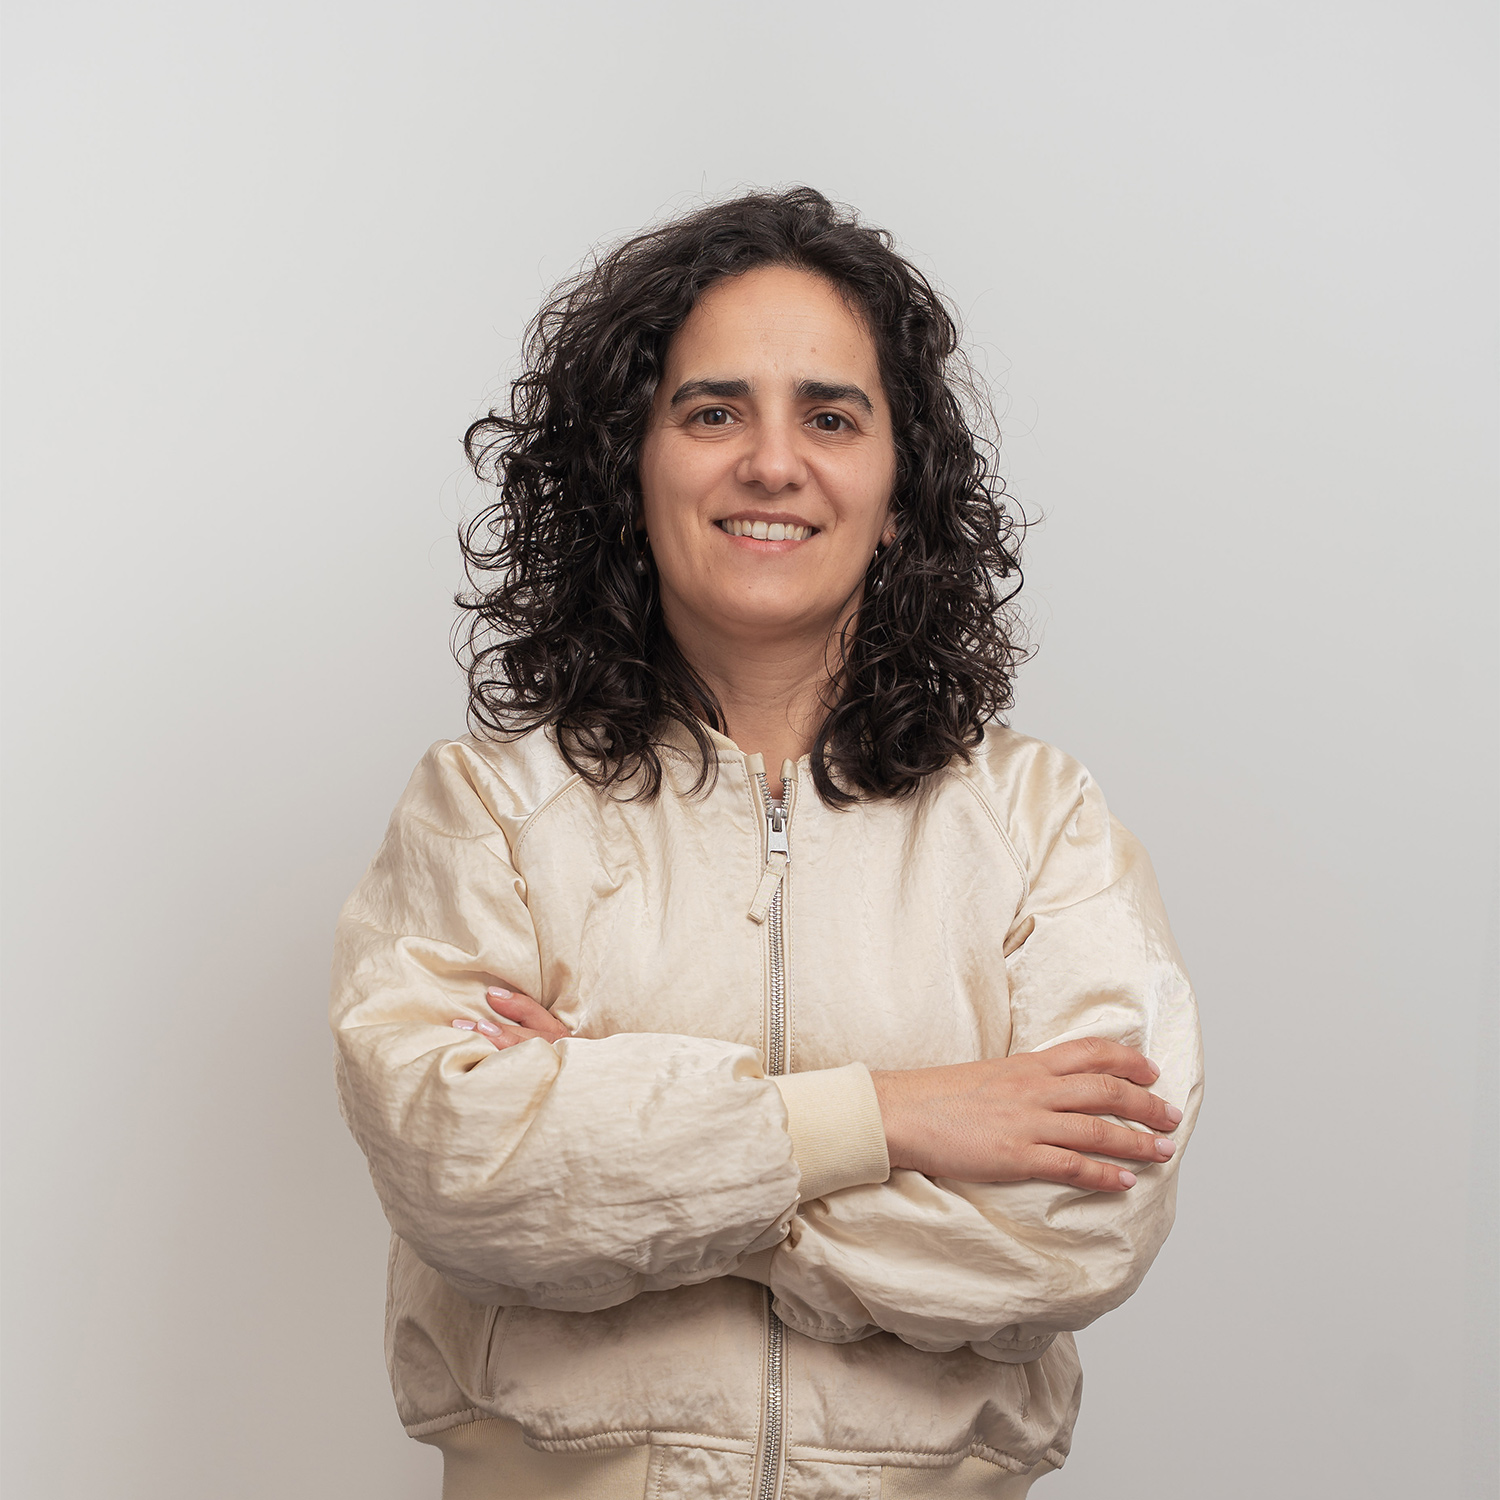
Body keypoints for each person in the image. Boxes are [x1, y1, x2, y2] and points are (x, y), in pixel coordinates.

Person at [331, 187, 1203, 1500]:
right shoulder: (488, 810)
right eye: (713, 411)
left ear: (900, 489)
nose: (773, 463)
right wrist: (901, 1117)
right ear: (630, 467)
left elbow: (1085, 1226)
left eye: (832, 417)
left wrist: (633, 1173)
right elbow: (461, 1173)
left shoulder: (1040, 825)